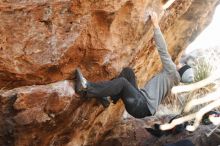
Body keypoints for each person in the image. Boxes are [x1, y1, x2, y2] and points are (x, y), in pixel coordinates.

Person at [74, 12, 194, 118]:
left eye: (182, 65)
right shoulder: (173, 79)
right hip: (140, 101)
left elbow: (163, 50)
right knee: (128, 73)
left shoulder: (172, 72)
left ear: (182, 70)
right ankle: (107, 97)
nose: (179, 63)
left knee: (122, 82)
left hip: (140, 106)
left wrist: (156, 25)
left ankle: (86, 88)